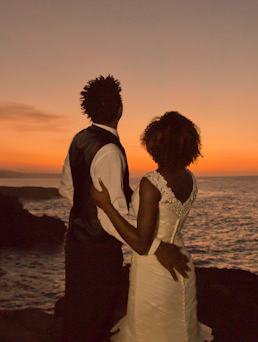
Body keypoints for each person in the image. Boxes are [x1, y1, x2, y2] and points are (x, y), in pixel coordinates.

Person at [59, 75, 190, 342]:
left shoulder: (79, 138)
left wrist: (85, 212)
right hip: (98, 253)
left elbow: (66, 189)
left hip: (76, 245)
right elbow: (109, 220)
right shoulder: (110, 151)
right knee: (94, 323)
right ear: (120, 108)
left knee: (79, 317)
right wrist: (154, 246)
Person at [91, 112, 213, 341]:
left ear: (156, 144)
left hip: (155, 270)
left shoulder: (151, 184)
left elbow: (140, 243)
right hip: (181, 262)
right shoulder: (189, 177)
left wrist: (106, 206)